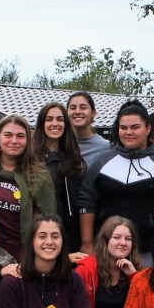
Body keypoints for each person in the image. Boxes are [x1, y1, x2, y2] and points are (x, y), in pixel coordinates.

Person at [78, 100, 154, 260]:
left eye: (135, 127)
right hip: (106, 252)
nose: (128, 132)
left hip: (149, 253)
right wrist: (87, 243)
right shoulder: (102, 162)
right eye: (123, 128)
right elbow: (86, 202)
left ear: (148, 128)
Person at [0, 114, 56, 261]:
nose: (14, 141)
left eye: (20, 136)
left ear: (28, 140)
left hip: (18, 259)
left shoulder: (39, 176)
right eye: (8, 135)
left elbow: (48, 223)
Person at [74, 216, 141, 308]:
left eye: (128, 239)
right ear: (105, 241)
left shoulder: (137, 272)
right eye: (116, 237)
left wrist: (134, 277)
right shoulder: (85, 271)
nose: (123, 243)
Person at [34, 101, 87, 253]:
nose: (55, 124)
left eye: (60, 119)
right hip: (39, 230)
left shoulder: (73, 159)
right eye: (49, 119)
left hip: (69, 232)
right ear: (42, 124)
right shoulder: (31, 157)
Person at [67, 91, 112, 166]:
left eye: (83, 108)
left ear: (93, 113)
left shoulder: (105, 147)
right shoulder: (60, 143)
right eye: (73, 108)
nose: (77, 111)